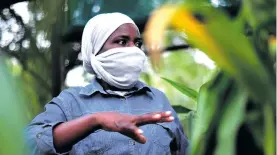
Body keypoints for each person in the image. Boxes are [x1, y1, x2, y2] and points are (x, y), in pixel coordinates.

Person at [25, 12, 189, 155]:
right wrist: (95, 120)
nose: (134, 50)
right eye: (122, 41)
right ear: (95, 50)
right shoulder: (70, 102)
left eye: (137, 43)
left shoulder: (158, 100)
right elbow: (29, 144)